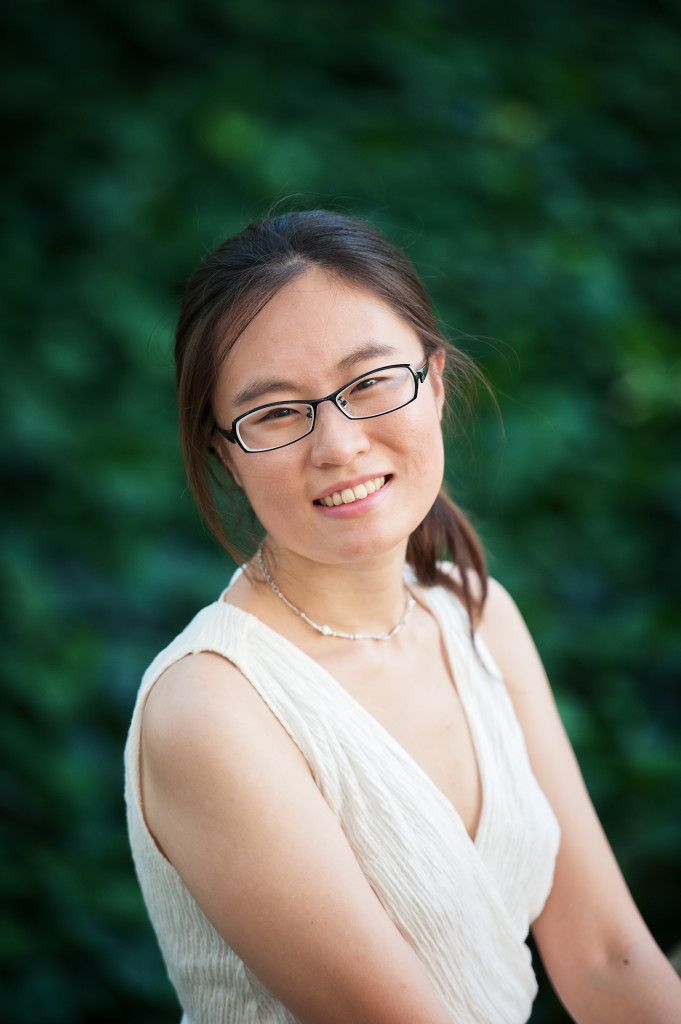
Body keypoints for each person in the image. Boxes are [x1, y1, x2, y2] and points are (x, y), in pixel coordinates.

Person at [124, 210, 681, 1024]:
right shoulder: (213, 710)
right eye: (275, 412)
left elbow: (602, 959)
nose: (339, 444)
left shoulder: (476, 616)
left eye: (370, 380)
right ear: (225, 455)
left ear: (437, 379)